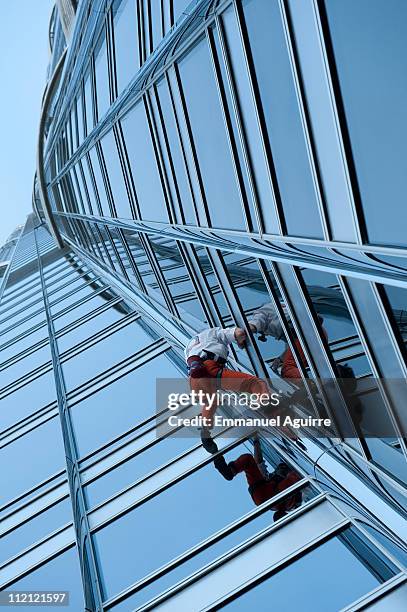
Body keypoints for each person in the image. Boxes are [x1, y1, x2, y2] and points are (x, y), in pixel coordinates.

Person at [185, 326, 269, 452]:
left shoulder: (188, 346)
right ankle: (267, 406)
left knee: (211, 402)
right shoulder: (213, 332)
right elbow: (239, 333)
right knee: (254, 384)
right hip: (210, 368)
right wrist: (241, 341)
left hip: (194, 379)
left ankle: (205, 431)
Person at [212, 436, 302, 521]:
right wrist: (256, 440)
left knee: (248, 460)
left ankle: (230, 472)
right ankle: (230, 471)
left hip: (266, 496)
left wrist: (256, 440)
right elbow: (259, 463)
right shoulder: (277, 489)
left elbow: (259, 463)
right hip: (267, 498)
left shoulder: (270, 483)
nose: (280, 470)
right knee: (247, 460)